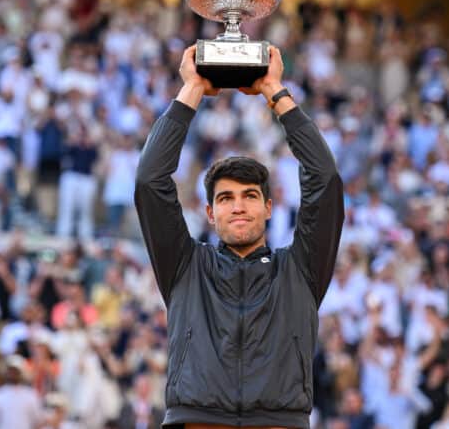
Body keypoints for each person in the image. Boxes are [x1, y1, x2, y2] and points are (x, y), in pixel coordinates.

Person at [134, 45, 344, 428]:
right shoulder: (185, 265)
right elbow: (150, 180)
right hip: (197, 421)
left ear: (268, 207)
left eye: (250, 196)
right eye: (226, 198)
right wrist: (192, 89)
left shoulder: (300, 269)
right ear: (211, 214)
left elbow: (324, 181)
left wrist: (275, 92)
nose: (238, 206)